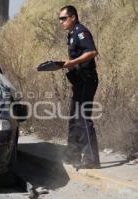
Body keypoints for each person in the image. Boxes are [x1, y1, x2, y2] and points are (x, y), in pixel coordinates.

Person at [59, 5, 100, 169]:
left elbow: (92, 52)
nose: (61, 21)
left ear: (73, 17)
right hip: (78, 81)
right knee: (75, 119)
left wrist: (73, 63)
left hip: (87, 79)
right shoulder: (71, 34)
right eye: (60, 19)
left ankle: (92, 160)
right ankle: (72, 155)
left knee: (83, 119)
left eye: (64, 18)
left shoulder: (80, 31)